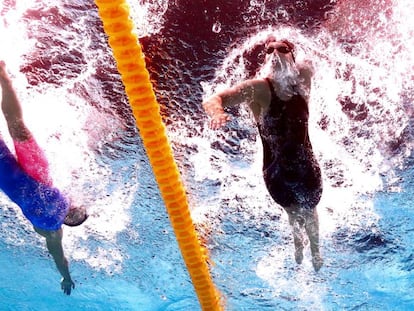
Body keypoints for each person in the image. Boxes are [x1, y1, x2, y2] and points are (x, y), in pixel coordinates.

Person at [202, 36, 323, 271]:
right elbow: (214, 99)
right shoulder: (257, 89)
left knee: (310, 210)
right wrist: (217, 113)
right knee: (292, 211)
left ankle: (316, 251)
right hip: (276, 172)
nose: (275, 53)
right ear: (266, 59)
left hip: (307, 167)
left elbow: (315, 58)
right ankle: (298, 246)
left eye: (282, 49)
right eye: (269, 50)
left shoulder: (304, 78)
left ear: (292, 55)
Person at [0, 61, 88, 294]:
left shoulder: (52, 231)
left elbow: (60, 259)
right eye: (77, 209)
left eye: (75, 214)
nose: (74, 209)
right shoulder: (57, 212)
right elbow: (60, 260)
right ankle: (3, 77)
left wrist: (66, 278)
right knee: (17, 127)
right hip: (36, 172)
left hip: (10, 179)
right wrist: (66, 277)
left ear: (70, 221)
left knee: (16, 127)